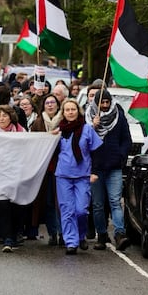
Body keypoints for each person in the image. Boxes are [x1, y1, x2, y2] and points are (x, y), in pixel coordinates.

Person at [53, 98, 102, 255]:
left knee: (81, 210)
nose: (70, 112)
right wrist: (50, 136)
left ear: (78, 111)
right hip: (63, 175)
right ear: (63, 113)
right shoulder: (59, 131)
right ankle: (71, 242)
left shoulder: (87, 129)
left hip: (82, 175)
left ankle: (81, 236)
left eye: (73, 109)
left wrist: (95, 172)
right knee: (67, 210)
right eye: (67, 110)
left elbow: (96, 151)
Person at [85, 88, 132, 251]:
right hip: (95, 168)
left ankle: (120, 233)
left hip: (114, 167)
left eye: (107, 102)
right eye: (101, 103)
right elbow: (83, 141)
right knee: (97, 204)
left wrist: (121, 156)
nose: (105, 105)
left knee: (115, 201)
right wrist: (93, 126)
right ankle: (102, 235)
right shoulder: (88, 117)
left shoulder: (118, 115)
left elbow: (126, 139)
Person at [0, 105, 26, 252]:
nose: (2, 118)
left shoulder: (21, 132)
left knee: (16, 205)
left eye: (5, 115)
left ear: (11, 117)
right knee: (2, 205)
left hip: (16, 173)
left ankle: (17, 231)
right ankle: (7, 237)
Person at [30, 94, 63, 246]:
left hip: (62, 168)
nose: (50, 105)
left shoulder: (64, 122)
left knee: (62, 202)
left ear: (57, 105)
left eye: (53, 102)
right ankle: (52, 233)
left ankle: (64, 233)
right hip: (45, 169)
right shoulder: (37, 123)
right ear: (44, 106)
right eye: (47, 103)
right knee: (49, 202)